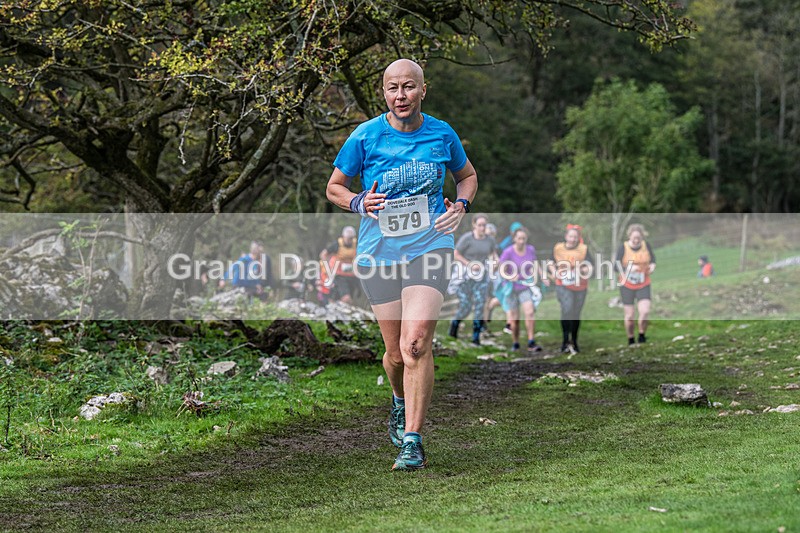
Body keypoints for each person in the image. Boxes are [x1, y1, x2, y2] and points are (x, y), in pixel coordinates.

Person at [326, 58, 477, 471]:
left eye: (408, 87)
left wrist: (461, 205)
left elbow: (467, 176)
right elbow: (334, 187)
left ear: (422, 90)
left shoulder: (442, 134)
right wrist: (357, 201)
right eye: (393, 88)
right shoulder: (365, 136)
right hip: (379, 253)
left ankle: (412, 440)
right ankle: (398, 400)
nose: (401, 95)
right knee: (394, 354)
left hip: (431, 245)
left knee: (416, 344)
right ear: (384, 93)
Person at [497, 227, 547, 353]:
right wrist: (509, 276)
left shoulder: (530, 250)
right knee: (515, 319)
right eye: (519, 238)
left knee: (529, 312)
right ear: (514, 239)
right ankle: (515, 342)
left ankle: (531, 341)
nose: (521, 241)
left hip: (524, 286)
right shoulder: (508, 252)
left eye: (524, 238)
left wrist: (543, 276)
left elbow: (535, 264)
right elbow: (501, 269)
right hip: (511, 287)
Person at [448, 213, 496, 345]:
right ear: (474, 225)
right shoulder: (467, 238)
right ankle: (454, 325)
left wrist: (496, 261)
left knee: (480, 305)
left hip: (482, 277)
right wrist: (469, 264)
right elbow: (455, 253)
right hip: (465, 277)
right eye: (479, 225)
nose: (482, 227)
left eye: (484, 225)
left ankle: (476, 338)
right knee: (466, 306)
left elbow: (493, 254)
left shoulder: (490, 240)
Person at [549, 225, 592, 353]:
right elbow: (550, 262)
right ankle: (565, 340)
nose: (573, 239)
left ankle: (574, 340)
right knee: (567, 308)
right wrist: (554, 272)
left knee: (575, 312)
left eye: (575, 237)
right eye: (570, 236)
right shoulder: (558, 248)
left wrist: (581, 270)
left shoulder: (583, 249)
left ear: (578, 238)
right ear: (566, 236)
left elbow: (590, 266)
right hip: (563, 284)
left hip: (580, 284)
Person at [615, 224, 656, 345]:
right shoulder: (623, 247)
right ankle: (631, 338)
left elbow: (653, 259)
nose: (636, 240)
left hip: (643, 282)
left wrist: (653, 265)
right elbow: (615, 266)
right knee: (630, 315)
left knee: (644, 311)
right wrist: (628, 268)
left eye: (639, 238)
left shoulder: (646, 245)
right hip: (627, 284)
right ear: (629, 236)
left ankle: (642, 335)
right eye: (634, 238)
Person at [322, 226, 360, 303]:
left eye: (351, 238)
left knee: (350, 297)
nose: (350, 240)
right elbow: (323, 254)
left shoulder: (356, 244)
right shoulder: (337, 244)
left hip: (351, 275)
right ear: (343, 237)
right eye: (348, 238)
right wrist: (328, 269)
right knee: (346, 298)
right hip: (339, 275)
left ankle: (340, 310)